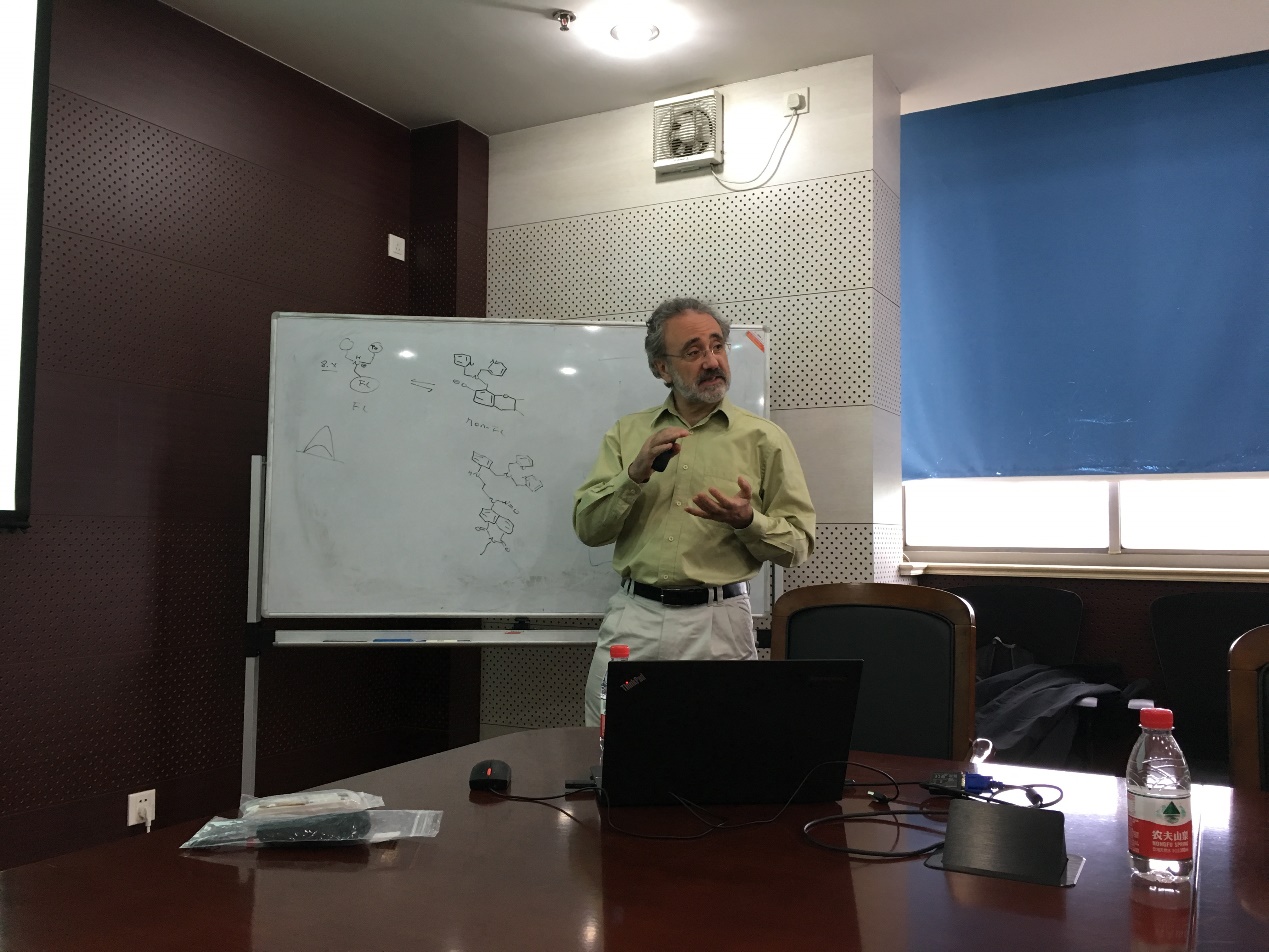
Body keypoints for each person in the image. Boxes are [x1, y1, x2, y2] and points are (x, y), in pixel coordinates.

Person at [573, 297, 816, 725]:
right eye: (693, 351)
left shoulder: (764, 439)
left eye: (718, 346)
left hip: (719, 626)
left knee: (720, 751)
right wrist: (634, 475)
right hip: (635, 622)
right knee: (613, 749)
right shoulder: (627, 433)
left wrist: (748, 521)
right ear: (662, 368)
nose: (712, 361)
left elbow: (798, 546)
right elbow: (589, 529)